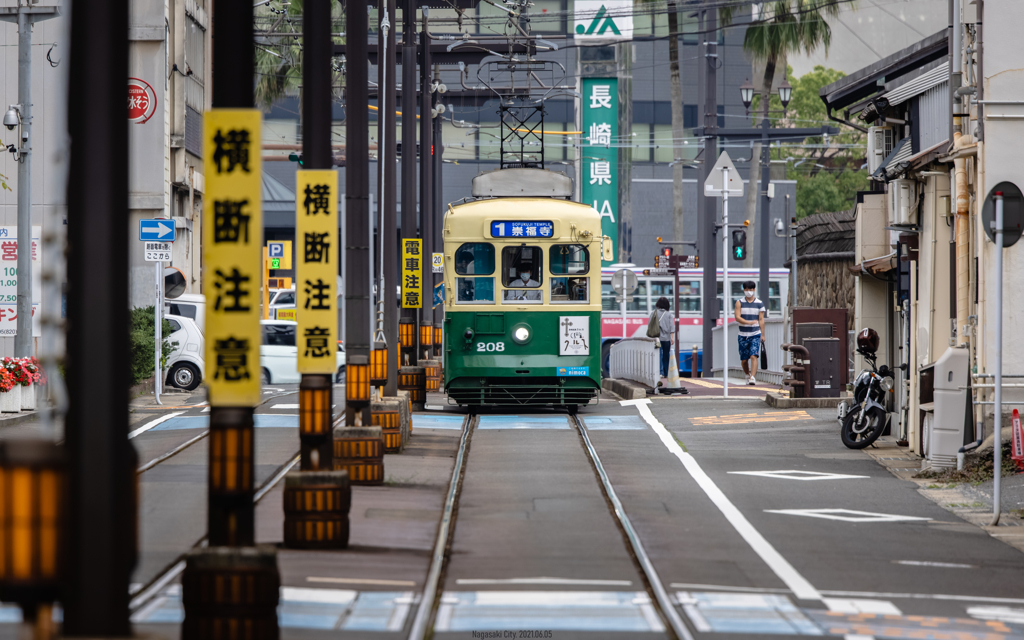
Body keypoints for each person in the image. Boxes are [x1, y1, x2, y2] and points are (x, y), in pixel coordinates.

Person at [734, 280, 765, 385]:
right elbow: (737, 317)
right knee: (744, 359)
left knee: (753, 355)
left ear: (754, 290)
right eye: (747, 289)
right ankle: (747, 374)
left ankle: (752, 377)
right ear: (744, 290)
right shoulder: (739, 302)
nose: (749, 291)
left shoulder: (759, 303)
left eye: (751, 289)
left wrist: (763, 334)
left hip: (755, 333)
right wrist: (749, 322)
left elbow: (761, 319)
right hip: (742, 334)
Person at [653, 297, 674, 385]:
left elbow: (650, 325)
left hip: (657, 338)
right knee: (666, 355)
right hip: (666, 339)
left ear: (658, 304)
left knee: (658, 355)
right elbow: (672, 327)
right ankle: (666, 373)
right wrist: (672, 338)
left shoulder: (653, 313)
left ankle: (660, 372)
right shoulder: (669, 314)